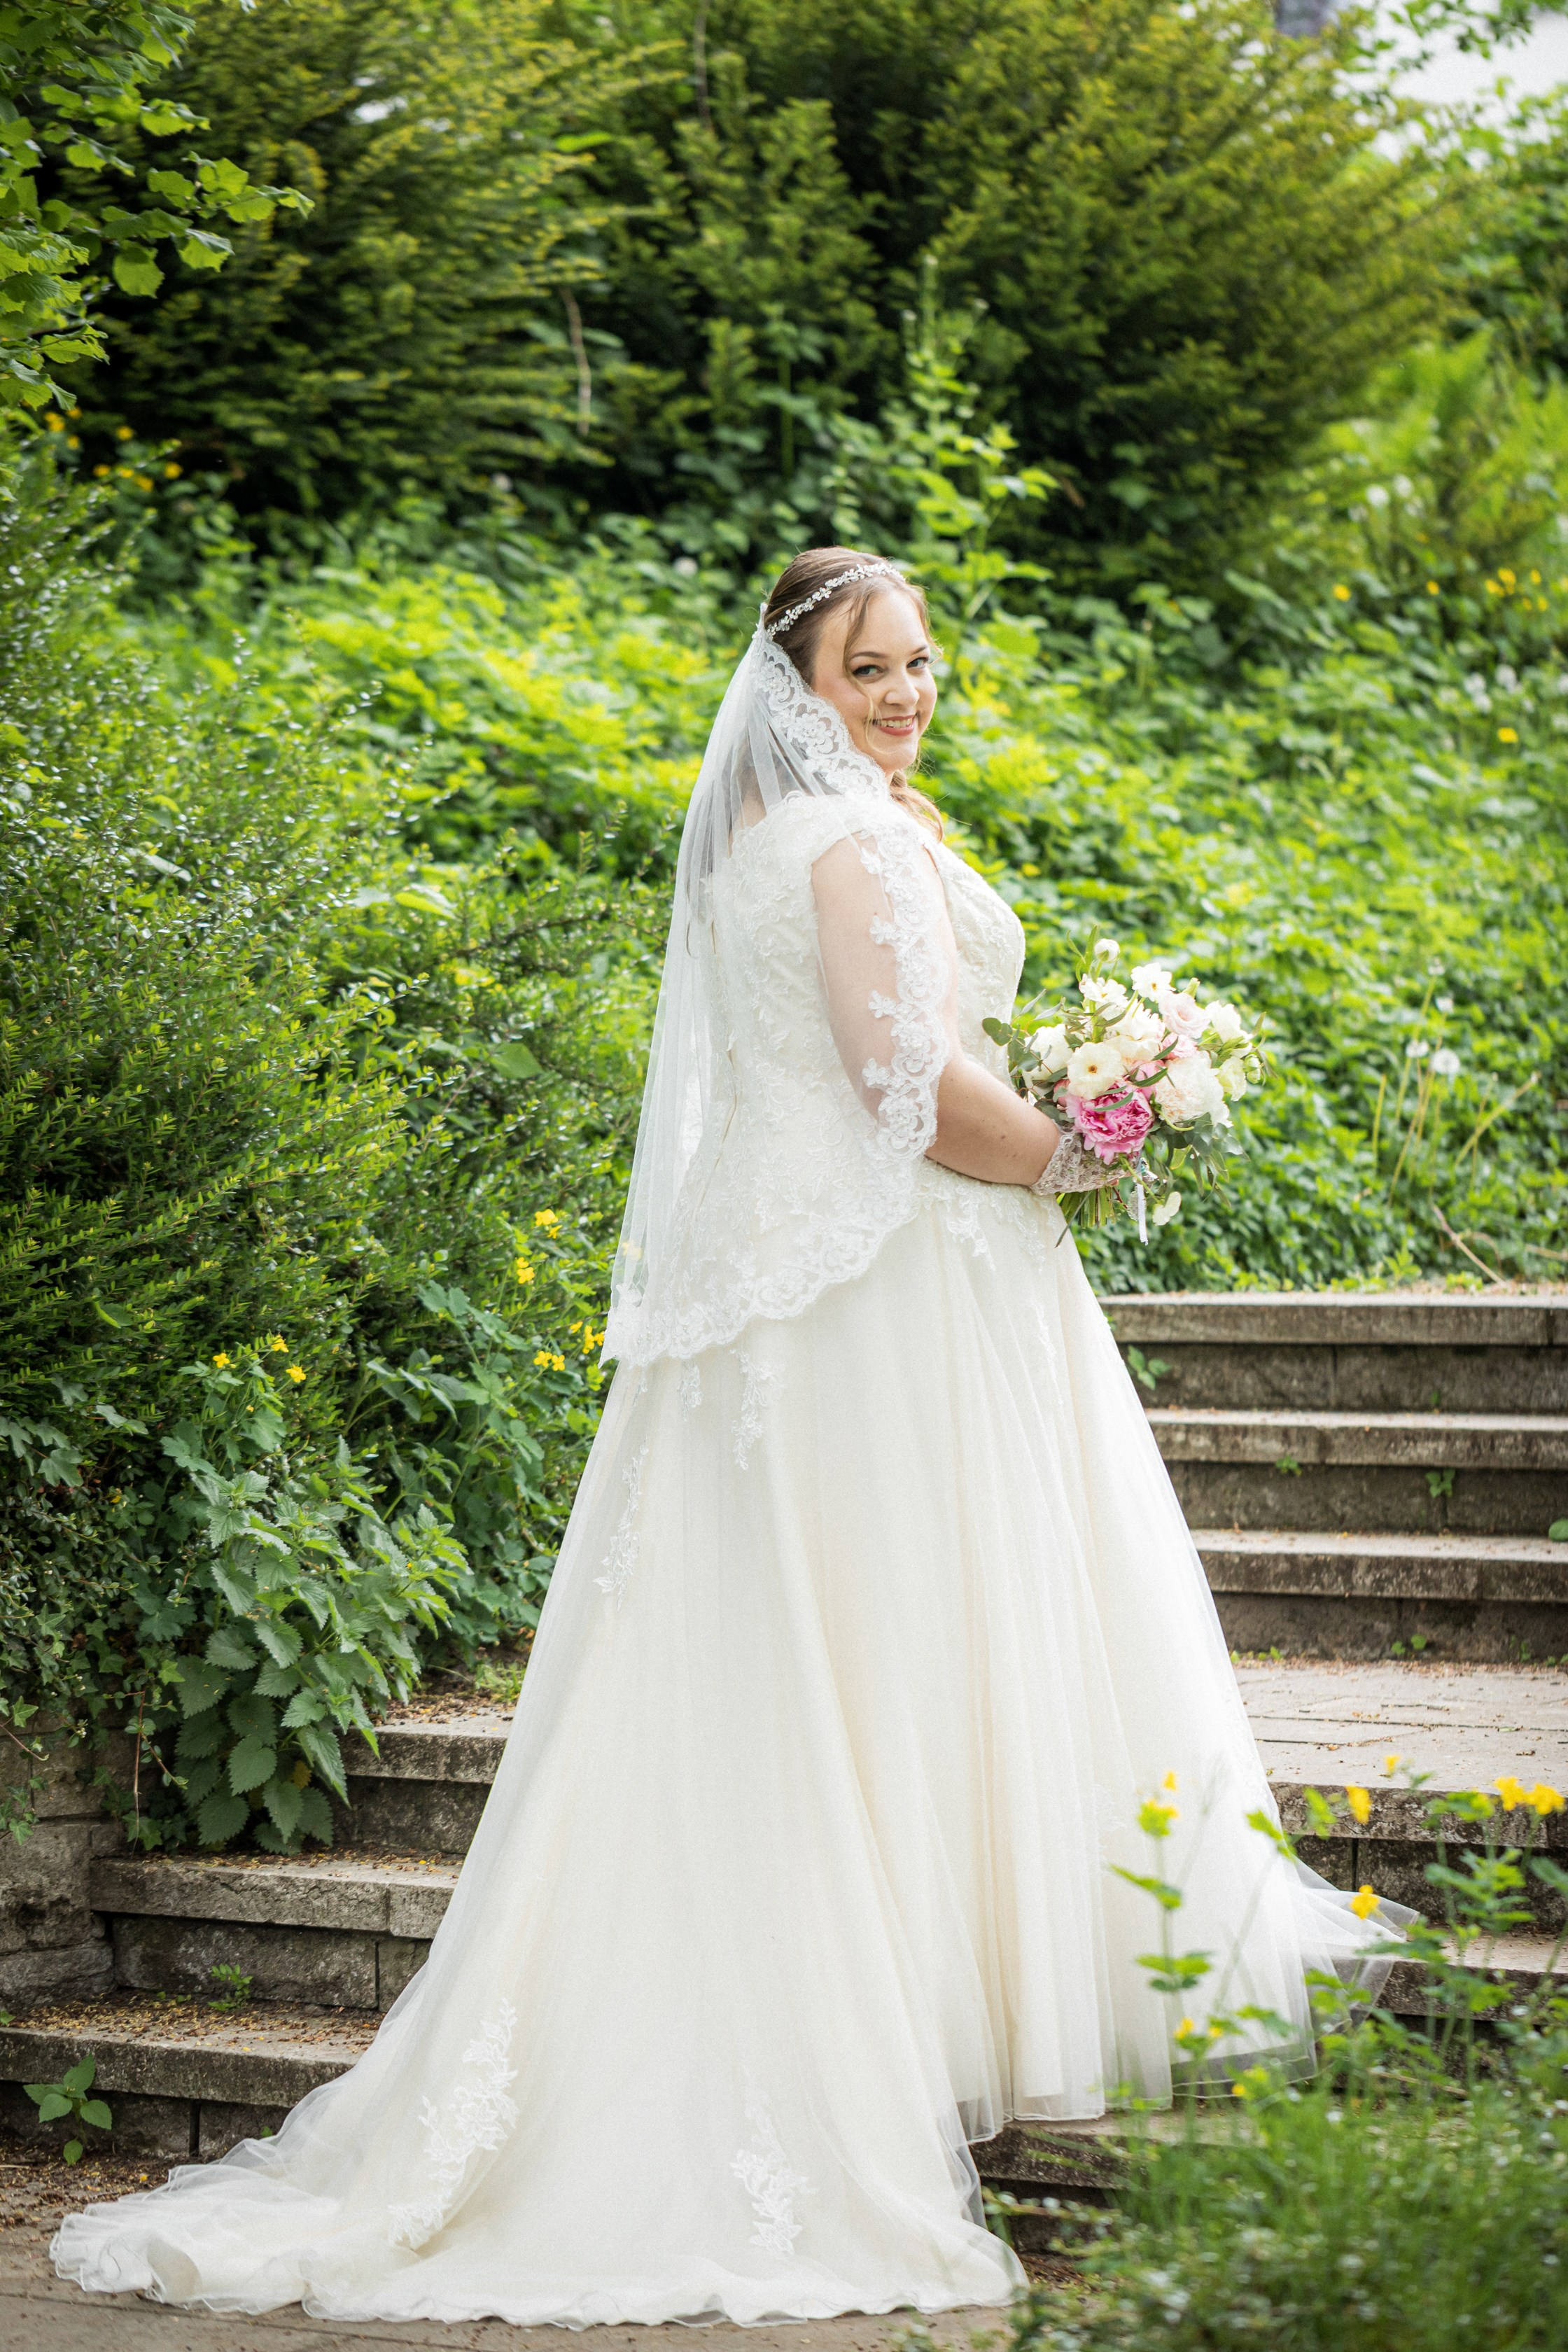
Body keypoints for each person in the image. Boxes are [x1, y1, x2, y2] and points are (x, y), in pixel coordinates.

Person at [53, 547, 1401, 2328]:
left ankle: (931, 1993)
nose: (908, 694)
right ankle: (869, 2021)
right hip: (861, 1288)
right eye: (871, 670)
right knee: (884, 1624)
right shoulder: (840, 848)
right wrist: (1083, 1142)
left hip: (819, 1272)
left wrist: (1077, 1108)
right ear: (798, 684)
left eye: (922, 664)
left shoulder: (806, 841)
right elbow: (894, 1081)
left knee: (852, 1638)